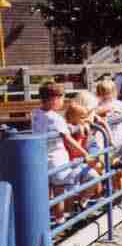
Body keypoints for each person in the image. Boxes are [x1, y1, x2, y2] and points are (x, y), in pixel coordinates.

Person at [32, 82, 99, 224]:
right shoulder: (56, 118)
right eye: (62, 99)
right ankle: (60, 220)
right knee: (59, 192)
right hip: (56, 159)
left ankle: (47, 221)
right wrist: (85, 154)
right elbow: (67, 138)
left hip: (41, 157)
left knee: (47, 191)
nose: (63, 102)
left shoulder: (36, 113)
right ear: (54, 99)